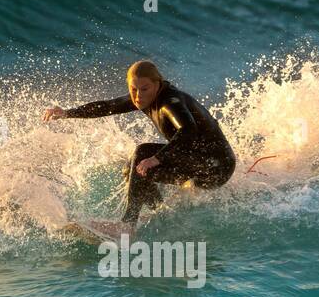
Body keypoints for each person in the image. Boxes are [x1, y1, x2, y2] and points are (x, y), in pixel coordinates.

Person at [43, 60, 236, 228]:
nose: (138, 96)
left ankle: (127, 225)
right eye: (133, 89)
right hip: (197, 160)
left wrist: (157, 158)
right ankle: (161, 214)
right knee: (134, 168)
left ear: (157, 84)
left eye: (144, 89)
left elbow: (188, 130)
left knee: (143, 153)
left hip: (216, 166)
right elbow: (108, 106)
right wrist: (68, 113)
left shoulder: (170, 102)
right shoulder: (144, 97)